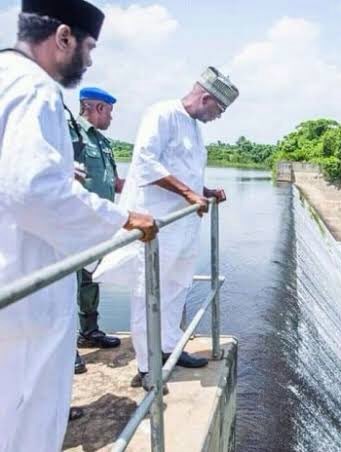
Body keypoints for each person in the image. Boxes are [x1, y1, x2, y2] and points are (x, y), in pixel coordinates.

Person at [0, 1, 157, 451]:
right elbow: (33, 189)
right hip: (24, 290)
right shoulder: (36, 89)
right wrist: (121, 217)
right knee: (27, 419)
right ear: (63, 36)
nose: (88, 59)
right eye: (88, 47)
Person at [95, 67, 238, 390]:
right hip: (157, 225)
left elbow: (184, 171)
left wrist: (204, 190)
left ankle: (170, 347)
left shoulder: (194, 127)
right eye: (219, 110)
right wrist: (189, 193)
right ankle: (147, 366)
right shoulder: (161, 114)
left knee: (177, 287)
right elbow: (146, 162)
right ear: (206, 98)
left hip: (185, 225)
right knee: (149, 294)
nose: (218, 117)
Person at [67, 87, 124, 377]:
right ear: (97, 108)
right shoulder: (70, 133)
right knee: (65, 285)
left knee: (90, 280)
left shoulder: (102, 142)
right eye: (110, 111)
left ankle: (89, 332)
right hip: (71, 224)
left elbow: (111, 181)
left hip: (97, 227)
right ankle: (67, 350)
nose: (112, 117)